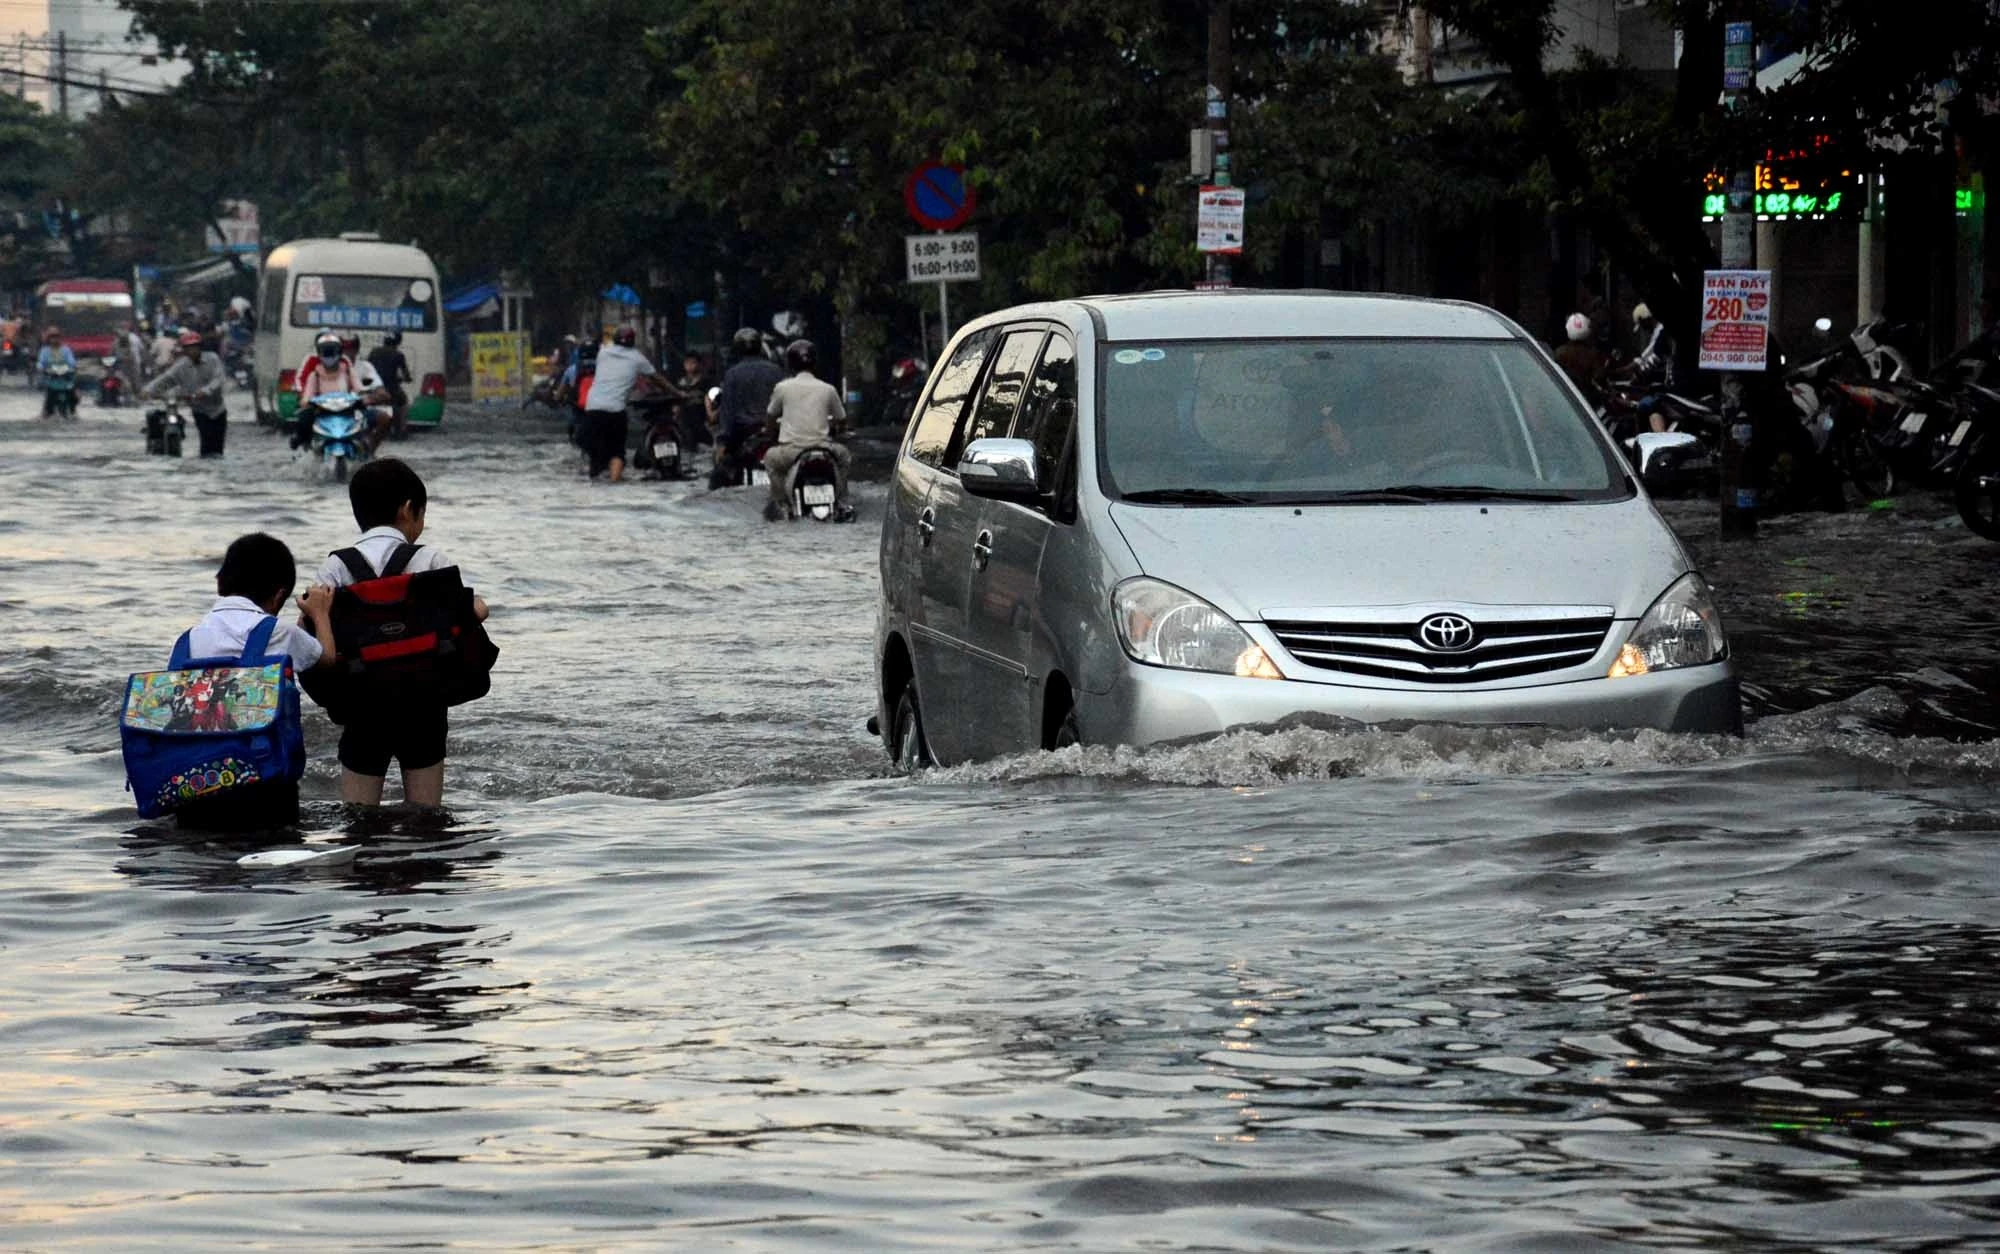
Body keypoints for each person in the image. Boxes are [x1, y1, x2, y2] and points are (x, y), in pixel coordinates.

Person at [310, 459, 488, 809]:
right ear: (408, 509)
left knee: (358, 816)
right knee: (426, 815)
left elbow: (316, 632)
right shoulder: (430, 559)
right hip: (425, 700)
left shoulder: (336, 565)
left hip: (362, 703)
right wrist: (481, 605)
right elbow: (469, 614)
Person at [168, 533, 339, 829]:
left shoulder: (188, 641)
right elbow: (326, 659)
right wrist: (320, 614)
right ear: (278, 596)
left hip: (193, 783)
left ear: (220, 582)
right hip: (263, 785)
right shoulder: (279, 632)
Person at [762, 339, 854, 521]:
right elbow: (842, 419)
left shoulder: (782, 388)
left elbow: (771, 416)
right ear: (815, 362)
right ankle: (842, 500)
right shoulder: (828, 389)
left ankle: (782, 503)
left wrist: (769, 432)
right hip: (824, 449)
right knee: (844, 456)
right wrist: (839, 429)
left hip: (791, 451)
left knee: (770, 459)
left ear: (790, 364)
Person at [580, 324, 659, 482]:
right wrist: (678, 393)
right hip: (615, 411)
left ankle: (595, 480)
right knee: (617, 451)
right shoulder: (638, 358)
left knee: (595, 454)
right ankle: (614, 483)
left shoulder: (603, 353)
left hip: (593, 409)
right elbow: (657, 378)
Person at [710, 327, 783, 489]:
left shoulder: (732, 374)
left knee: (719, 480)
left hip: (742, 434)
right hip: (774, 432)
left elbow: (728, 413)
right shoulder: (776, 371)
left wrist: (722, 444)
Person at [292, 330, 389, 449]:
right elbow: (306, 393)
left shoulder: (348, 369)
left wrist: (365, 397)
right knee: (305, 418)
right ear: (319, 352)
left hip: (348, 409)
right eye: (325, 351)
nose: (329, 355)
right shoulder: (314, 373)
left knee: (377, 419)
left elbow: (359, 388)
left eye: (332, 350)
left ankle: (367, 448)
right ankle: (305, 443)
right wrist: (305, 401)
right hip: (323, 409)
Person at [144, 330, 230, 456]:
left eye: (194, 347)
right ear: (184, 350)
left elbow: (219, 379)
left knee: (218, 446)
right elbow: (166, 379)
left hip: (218, 409)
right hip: (200, 410)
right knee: (206, 445)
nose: (192, 351)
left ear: (200, 347)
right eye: (188, 348)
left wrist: (205, 391)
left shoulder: (212, 359)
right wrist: (148, 390)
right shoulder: (181, 366)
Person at [1631, 302, 1679, 433]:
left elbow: (1651, 360)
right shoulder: (1663, 333)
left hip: (1678, 391)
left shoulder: (1664, 332)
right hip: (1678, 389)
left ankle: (1658, 439)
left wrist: (1640, 373)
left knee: (1649, 406)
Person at [673, 350, 713, 475]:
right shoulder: (680, 382)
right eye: (687, 363)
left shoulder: (705, 381)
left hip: (701, 419)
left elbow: (709, 399)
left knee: (705, 446)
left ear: (699, 364)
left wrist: (710, 416)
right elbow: (676, 404)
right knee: (688, 447)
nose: (690, 366)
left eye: (693, 363)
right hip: (685, 420)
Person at [367, 331, 414, 436]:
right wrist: (407, 379)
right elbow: (406, 374)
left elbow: (367, 367)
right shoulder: (399, 355)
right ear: (398, 342)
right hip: (392, 389)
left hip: (375, 388)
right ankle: (402, 429)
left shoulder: (374, 351)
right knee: (404, 403)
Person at [1553, 313, 1607, 401]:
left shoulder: (1560, 352)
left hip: (1561, 394)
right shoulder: (1592, 354)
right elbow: (1599, 377)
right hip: (1582, 399)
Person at [36, 329, 76, 414]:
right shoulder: (45, 351)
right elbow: (41, 363)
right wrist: (41, 368)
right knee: (48, 401)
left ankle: (72, 410)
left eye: (57, 337)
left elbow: (71, 362)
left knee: (73, 395)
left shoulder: (66, 350)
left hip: (65, 378)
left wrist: (70, 368)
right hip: (51, 378)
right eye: (52, 337)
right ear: (49, 339)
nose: (55, 340)